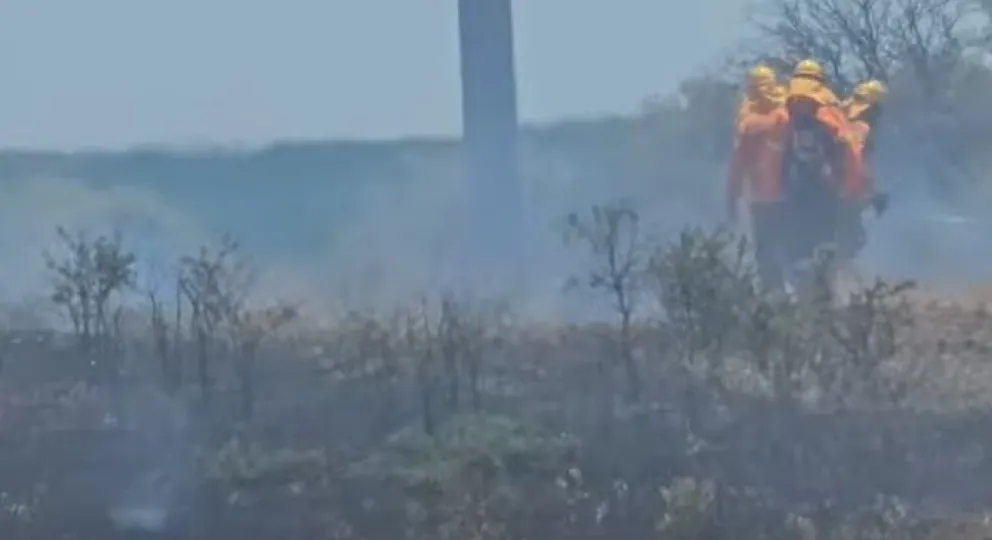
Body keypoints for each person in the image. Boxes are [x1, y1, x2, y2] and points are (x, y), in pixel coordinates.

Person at [778, 59, 862, 290]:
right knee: (825, 243)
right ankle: (823, 294)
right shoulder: (830, 115)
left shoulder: (786, 116)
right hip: (825, 192)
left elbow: (782, 159)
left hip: (796, 194)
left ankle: (806, 296)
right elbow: (847, 150)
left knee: (800, 247)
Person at [727, 65, 791, 290]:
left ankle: (777, 302)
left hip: (762, 201)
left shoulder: (747, 123)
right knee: (793, 249)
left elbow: (738, 166)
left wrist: (731, 199)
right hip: (791, 196)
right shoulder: (786, 114)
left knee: (767, 255)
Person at [837, 79, 888, 261]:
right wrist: (866, 195)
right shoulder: (861, 127)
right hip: (846, 193)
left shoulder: (842, 116)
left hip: (839, 189)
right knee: (851, 240)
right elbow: (856, 162)